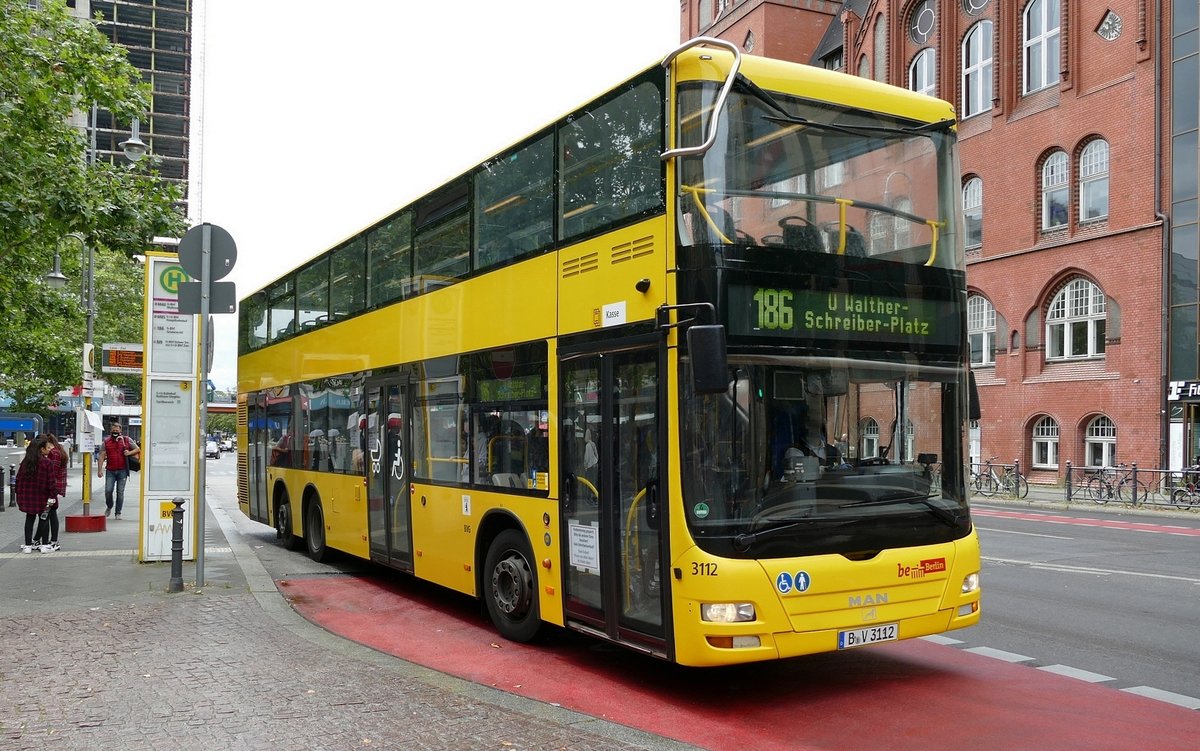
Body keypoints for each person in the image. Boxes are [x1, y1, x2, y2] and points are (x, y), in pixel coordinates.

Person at [15, 438, 60, 553]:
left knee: (29, 519)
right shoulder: (46, 463)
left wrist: (19, 495)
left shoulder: (25, 462)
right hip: (44, 497)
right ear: (41, 449)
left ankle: (28, 545)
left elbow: (18, 480)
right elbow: (51, 482)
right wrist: (53, 496)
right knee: (44, 518)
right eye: (47, 448)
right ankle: (44, 545)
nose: (49, 450)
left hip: (28, 497)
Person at [96, 422, 140, 519]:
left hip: (122, 471)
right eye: (113, 430)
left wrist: (129, 453)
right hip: (110, 471)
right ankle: (109, 506)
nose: (115, 432)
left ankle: (118, 512)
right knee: (108, 491)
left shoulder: (127, 440)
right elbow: (102, 455)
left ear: (120, 431)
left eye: (117, 430)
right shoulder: (106, 442)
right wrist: (99, 470)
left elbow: (137, 449)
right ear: (110, 431)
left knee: (120, 492)